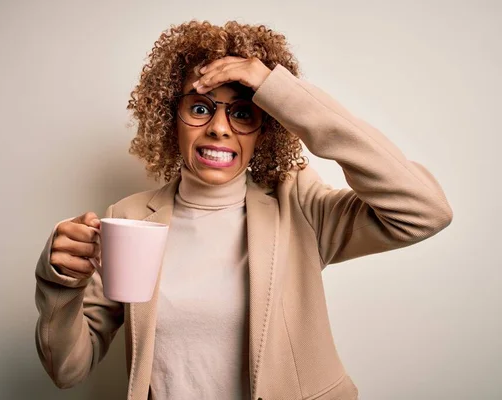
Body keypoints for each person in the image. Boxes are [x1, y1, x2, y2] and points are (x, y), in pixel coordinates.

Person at [34, 20, 453, 400]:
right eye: (200, 108)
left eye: (243, 113)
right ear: (169, 118)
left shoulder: (299, 206)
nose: (219, 127)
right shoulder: (127, 218)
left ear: (267, 127)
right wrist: (62, 284)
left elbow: (424, 210)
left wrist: (278, 90)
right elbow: (68, 369)